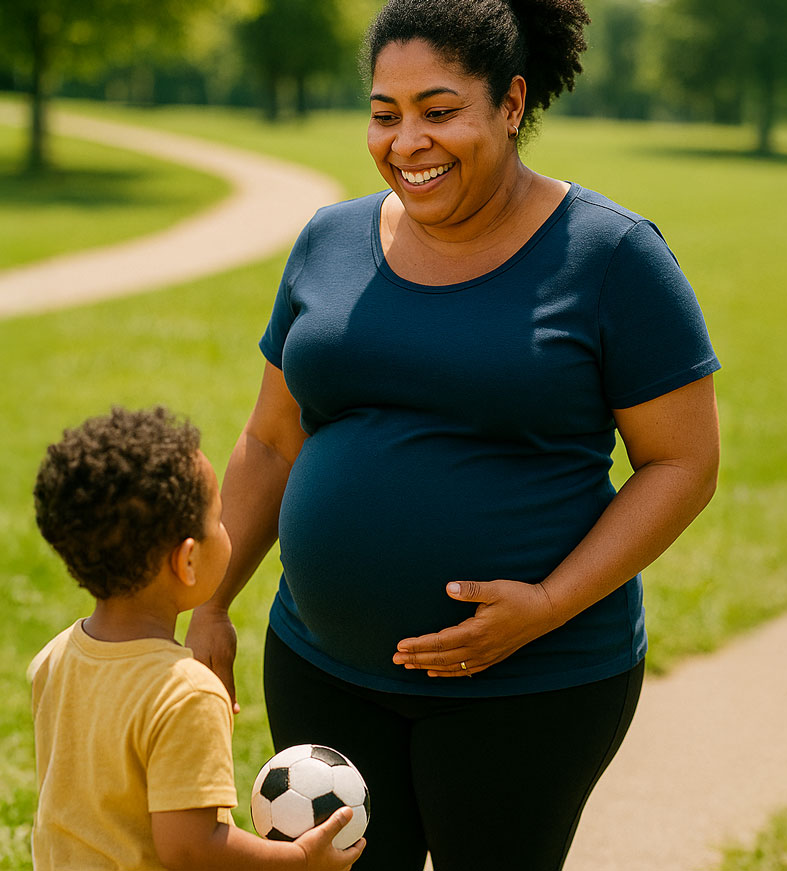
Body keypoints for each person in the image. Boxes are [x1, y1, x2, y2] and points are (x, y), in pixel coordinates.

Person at [186, 0, 721, 868]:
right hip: (321, 668)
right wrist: (210, 603)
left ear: (511, 104)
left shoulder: (613, 256)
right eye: (384, 113)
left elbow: (683, 463)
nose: (406, 142)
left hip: (530, 684)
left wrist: (544, 606)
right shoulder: (328, 240)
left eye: (439, 112)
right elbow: (273, 441)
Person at [29, 406, 365, 871]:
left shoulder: (55, 655)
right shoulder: (185, 693)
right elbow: (190, 847)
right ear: (187, 561)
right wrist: (299, 858)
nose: (226, 531)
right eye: (218, 519)